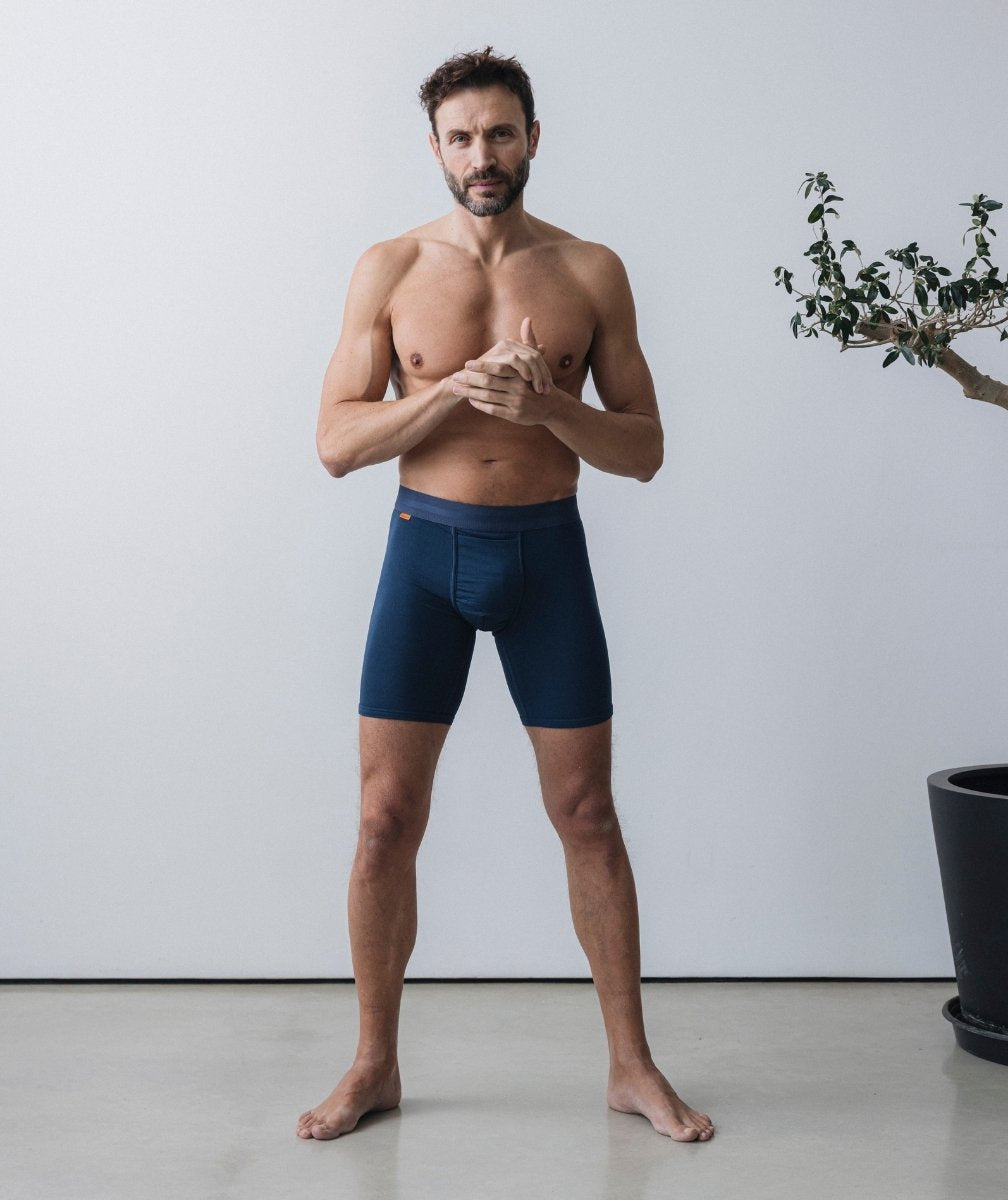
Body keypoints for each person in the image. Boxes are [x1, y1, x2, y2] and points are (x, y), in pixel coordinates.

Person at [298, 47, 714, 1144]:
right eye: (462, 137)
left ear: (533, 138)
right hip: (423, 559)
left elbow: (646, 450)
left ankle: (631, 1066)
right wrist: (447, 397)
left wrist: (550, 411)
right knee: (385, 820)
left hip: (545, 561)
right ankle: (374, 1064)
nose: (482, 155)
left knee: (589, 816)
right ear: (436, 149)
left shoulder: (590, 271)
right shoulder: (389, 268)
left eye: (500, 133)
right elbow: (336, 443)